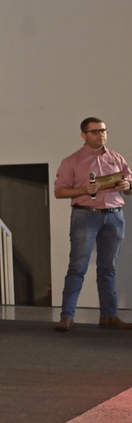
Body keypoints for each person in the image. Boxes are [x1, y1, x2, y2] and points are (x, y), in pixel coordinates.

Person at [53, 117, 131, 331]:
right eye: (95, 131)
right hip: (85, 215)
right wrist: (82, 190)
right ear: (84, 135)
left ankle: (109, 316)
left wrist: (127, 185)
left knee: (108, 268)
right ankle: (67, 317)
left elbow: (130, 183)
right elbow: (59, 191)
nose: (101, 135)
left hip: (114, 216)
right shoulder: (72, 161)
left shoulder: (116, 158)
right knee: (78, 266)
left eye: (104, 130)